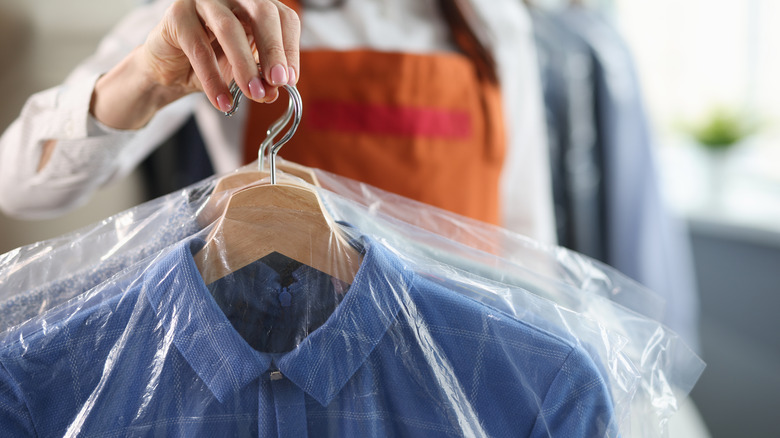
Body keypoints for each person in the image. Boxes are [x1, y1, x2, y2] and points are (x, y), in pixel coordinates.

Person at [0, 0, 556, 243]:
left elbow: (523, 234)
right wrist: (147, 77)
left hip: (456, 373)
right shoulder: (229, 16)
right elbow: (19, 187)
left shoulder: (491, 19)